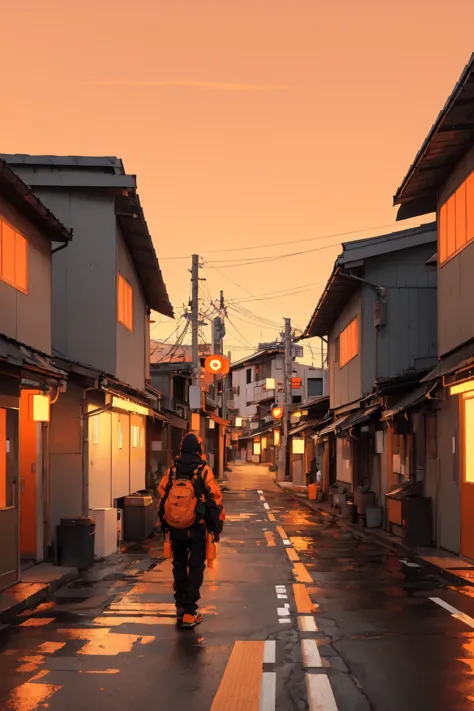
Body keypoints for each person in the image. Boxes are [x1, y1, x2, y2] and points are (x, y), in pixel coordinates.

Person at [158, 433, 225, 629]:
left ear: (181, 449)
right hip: (196, 528)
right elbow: (216, 498)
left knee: (178, 565)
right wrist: (214, 523)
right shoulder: (203, 470)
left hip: (175, 528)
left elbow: (162, 495)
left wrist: (166, 521)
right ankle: (189, 612)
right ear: (198, 449)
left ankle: (180, 606)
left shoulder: (172, 470)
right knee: (195, 567)